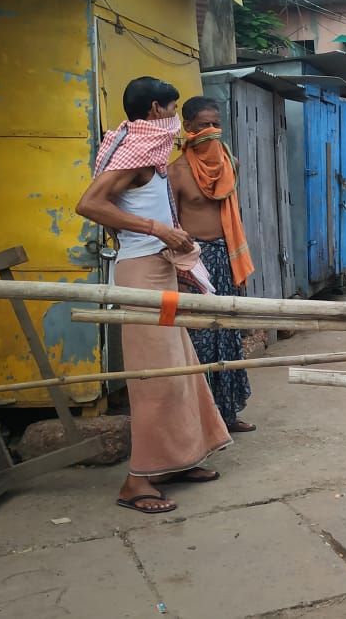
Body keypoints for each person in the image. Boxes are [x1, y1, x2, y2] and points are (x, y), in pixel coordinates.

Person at [76, 77, 231, 514]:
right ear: (155, 111)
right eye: (173, 110)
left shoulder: (153, 154)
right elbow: (89, 205)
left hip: (160, 270)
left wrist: (177, 258)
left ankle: (176, 461)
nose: (176, 120)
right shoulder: (136, 154)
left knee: (180, 370)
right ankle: (136, 481)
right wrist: (157, 230)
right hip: (140, 275)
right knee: (154, 379)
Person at [168, 96, 257, 434]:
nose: (210, 131)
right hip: (194, 263)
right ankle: (201, 421)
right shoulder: (175, 173)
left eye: (215, 125)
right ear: (188, 127)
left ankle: (228, 414)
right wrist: (180, 270)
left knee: (228, 336)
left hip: (226, 258)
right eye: (203, 125)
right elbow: (171, 224)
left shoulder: (231, 164)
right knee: (199, 340)